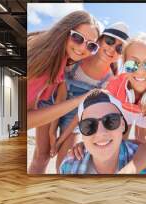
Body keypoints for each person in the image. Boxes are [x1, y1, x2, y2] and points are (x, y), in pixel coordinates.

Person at [70, 35, 146, 175]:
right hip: (125, 107)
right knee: (118, 141)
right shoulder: (116, 84)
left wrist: (129, 170)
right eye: (132, 65)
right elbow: (90, 112)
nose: (141, 71)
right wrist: (88, 142)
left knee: (142, 144)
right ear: (124, 64)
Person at [50, 22, 130, 172]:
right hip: (53, 109)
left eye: (119, 48)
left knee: (63, 164)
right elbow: (60, 98)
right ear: (99, 40)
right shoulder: (75, 60)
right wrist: (51, 133)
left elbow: (79, 116)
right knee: (41, 155)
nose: (112, 49)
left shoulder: (109, 81)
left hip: (76, 120)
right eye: (110, 41)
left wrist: (60, 140)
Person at [27, 10, 100, 174]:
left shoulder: (59, 59)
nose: (82, 48)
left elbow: (60, 91)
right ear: (65, 31)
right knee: (43, 158)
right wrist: (79, 100)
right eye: (78, 38)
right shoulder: (44, 64)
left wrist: (54, 132)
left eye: (91, 46)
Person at [60, 90, 146, 174]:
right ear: (81, 132)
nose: (100, 133)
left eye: (111, 121)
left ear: (123, 124)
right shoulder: (68, 166)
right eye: (89, 125)